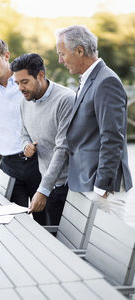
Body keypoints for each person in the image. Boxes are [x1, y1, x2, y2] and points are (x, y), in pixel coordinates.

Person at [56, 25, 133, 221]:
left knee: (113, 250)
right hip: (85, 181)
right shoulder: (90, 79)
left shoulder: (106, 81)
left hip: (102, 189)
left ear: (79, 50)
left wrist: (102, 186)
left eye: (62, 54)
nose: (60, 60)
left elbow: (113, 137)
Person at [0, 36, 46, 225]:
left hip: (39, 161)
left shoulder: (28, 80)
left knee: (45, 223)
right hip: (10, 167)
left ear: (6, 56)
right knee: (15, 225)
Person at [10, 53, 75, 225]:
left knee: (65, 245)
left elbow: (63, 149)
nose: (20, 88)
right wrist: (26, 146)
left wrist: (43, 190)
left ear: (40, 75)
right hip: (46, 183)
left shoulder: (65, 99)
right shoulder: (25, 101)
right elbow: (24, 133)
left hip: (68, 187)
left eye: (24, 82)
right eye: (17, 83)